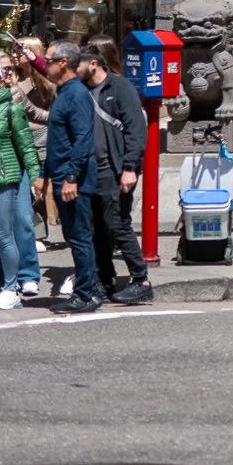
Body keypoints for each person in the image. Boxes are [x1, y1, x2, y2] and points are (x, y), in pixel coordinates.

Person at [81, 41, 152, 306]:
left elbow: (136, 130)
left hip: (116, 168)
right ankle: (105, 279)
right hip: (92, 169)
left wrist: (130, 167)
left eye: (77, 66)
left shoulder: (120, 88)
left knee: (118, 223)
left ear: (93, 64)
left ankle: (141, 280)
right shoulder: (82, 90)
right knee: (98, 228)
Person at [0, 58, 40, 309]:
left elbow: (26, 146)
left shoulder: (13, 109)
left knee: (4, 235)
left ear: (1, 80)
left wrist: (35, 176)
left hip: (3, 179)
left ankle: (11, 288)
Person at [42, 40, 102, 311]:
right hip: (60, 174)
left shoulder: (76, 94)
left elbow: (82, 140)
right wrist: (45, 174)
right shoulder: (63, 92)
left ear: (63, 63)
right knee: (74, 235)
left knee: (80, 237)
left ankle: (86, 294)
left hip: (73, 179)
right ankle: (87, 290)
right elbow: (58, 140)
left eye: (48, 60)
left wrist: (70, 177)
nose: (45, 64)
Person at [4, 45, 51, 297]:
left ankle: (28, 275)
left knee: (23, 221)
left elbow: (26, 137)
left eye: (6, 70)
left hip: (18, 165)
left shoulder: (16, 96)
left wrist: (35, 174)